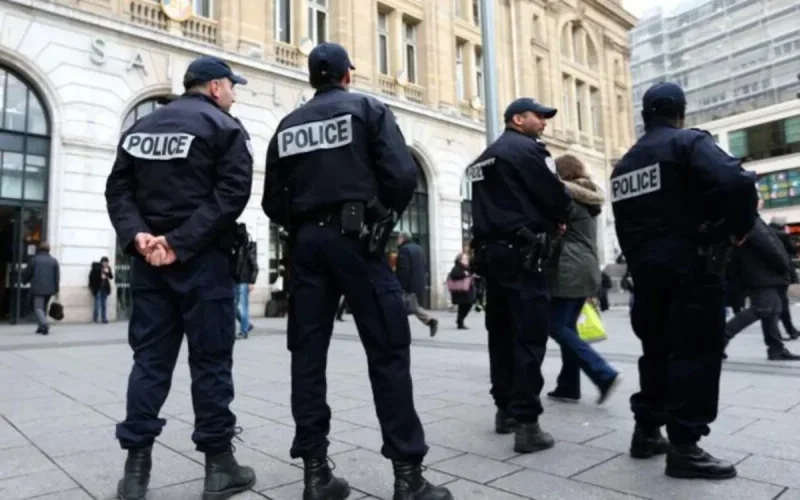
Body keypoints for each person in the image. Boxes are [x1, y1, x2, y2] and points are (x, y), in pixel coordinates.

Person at [261, 42, 452, 500]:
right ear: (347, 74)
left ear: (312, 78)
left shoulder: (288, 124)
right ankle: (408, 477)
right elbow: (402, 175)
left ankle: (315, 476)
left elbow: (272, 201)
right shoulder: (369, 109)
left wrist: (305, 222)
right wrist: (378, 216)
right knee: (388, 350)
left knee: (307, 357)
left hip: (306, 247)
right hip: (357, 242)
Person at [105, 55, 256, 500]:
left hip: (150, 265)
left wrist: (138, 236)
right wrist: (180, 242)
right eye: (232, 87)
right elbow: (231, 195)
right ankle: (219, 467)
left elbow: (118, 190)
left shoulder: (141, 128)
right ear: (215, 87)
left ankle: (135, 473)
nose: (233, 95)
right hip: (203, 262)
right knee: (211, 362)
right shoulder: (225, 127)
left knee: (149, 362)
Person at [611, 82, 758, 480]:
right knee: (695, 352)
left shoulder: (625, 164)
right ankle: (685, 447)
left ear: (645, 116)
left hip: (646, 272)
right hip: (692, 266)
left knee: (656, 351)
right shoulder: (689, 143)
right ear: (680, 112)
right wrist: (738, 228)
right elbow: (738, 182)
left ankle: (647, 431)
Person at [467, 97, 571, 453]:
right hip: (522, 254)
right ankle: (527, 424)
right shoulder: (527, 151)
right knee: (528, 335)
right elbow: (555, 195)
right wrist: (559, 217)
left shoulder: (484, 157)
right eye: (538, 116)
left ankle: (505, 410)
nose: (544, 122)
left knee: (500, 333)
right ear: (517, 119)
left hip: (491, 254)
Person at [544, 155, 620, 405]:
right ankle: (568, 386)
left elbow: (552, 229)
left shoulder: (568, 198)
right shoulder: (588, 197)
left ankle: (603, 373)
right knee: (568, 326)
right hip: (586, 266)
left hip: (569, 267)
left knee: (556, 326)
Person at [724, 206, 800, 361]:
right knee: (762, 308)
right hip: (763, 274)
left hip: (763, 274)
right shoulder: (751, 221)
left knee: (773, 310)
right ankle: (721, 338)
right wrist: (782, 265)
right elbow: (769, 247)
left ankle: (776, 348)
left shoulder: (752, 221)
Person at [396, 231, 439, 336]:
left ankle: (430, 321)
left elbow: (404, 270)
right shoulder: (419, 248)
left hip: (408, 285)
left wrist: (400, 286)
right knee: (410, 307)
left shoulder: (404, 250)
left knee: (404, 308)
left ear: (403, 238)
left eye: (398, 238)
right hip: (418, 284)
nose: (397, 240)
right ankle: (429, 321)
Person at [768, 216, 800, 338]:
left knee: (775, 303)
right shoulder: (782, 235)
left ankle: (781, 331)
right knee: (781, 303)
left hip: (767, 274)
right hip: (780, 272)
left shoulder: (766, 232)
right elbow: (792, 250)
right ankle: (787, 330)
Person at [21, 242, 60, 335]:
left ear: (39, 249)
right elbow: (57, 277)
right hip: (50, 289)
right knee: (43, 308)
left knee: (38, 308)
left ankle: (44, 324)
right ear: (49, 249)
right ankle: (41, 327)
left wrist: (24, 281)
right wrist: (56, 289)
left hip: (38, 288)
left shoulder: (34, 260)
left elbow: (28, 272)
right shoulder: (54, 261)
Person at [447, 252, 475, 329]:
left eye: (466, 258)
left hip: (467, 290)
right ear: (459, 260)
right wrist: (464, 274)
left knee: (466, 306)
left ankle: (460, 321)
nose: (466, 260)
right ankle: (460, 321)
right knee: (465, 305)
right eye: (464, 259)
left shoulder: (467, 267)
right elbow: (454, 275)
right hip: (461, 291)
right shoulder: (457, 267)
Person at [89, 256, 114, 323]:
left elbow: (111, 277)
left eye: (107, 262)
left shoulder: (108, 268)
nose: (106, 263)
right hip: (98, 288)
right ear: (101, 262)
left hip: (105, 288)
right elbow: (91, 277)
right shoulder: (96, 268)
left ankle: (104, 318)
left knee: (104, 304)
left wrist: (107, 272)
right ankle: (95, 318)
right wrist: (91, 287)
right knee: (97, 304)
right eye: (104, 262)